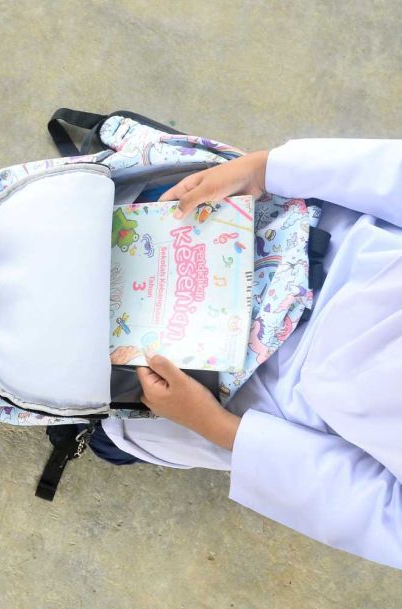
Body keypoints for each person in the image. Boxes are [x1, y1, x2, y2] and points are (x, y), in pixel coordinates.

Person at [100, 141, 402, 569]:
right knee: (137, 213)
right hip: (307, 241)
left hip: (268, 403)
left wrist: (215, 426)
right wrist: (262, 170)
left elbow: (375, 511)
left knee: (110, 406)